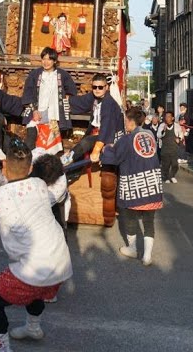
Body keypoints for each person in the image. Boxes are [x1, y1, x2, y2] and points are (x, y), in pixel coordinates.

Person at [0, 143, 72, 351]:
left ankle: (2, 349)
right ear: (30, 167)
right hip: (61, 263)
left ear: (4, 165)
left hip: (34, 269)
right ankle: (33, 327)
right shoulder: (40, 185)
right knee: (37, 290)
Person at [100, 106, 164, 265]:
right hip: (152, 182)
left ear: (129, 122)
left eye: (125, 121)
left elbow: (114, 158)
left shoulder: (126, 140)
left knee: (129, 216)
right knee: (149, 220)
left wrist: (106, 149)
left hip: (134, 183)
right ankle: (147, 256)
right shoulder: (150, 134)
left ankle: (133, 248)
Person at [21, 48, 79, 136]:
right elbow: (27, 94)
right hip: (38, 111)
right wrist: (34, 110)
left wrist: (66, 98)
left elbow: (72, 91)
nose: (46, 62)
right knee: (33, 136)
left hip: (55, 112)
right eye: (44, 59)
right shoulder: (35, 74)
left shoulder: (62, 75)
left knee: (52, 141)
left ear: (55, 61)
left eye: (49, 59)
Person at [70, 73, 123, 146]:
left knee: (86, 145)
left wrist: (98, 148)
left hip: (108, 136)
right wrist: (66, 99)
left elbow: (107, 126)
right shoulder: (93, 96)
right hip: (95, 132)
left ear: (106, 87)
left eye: (100, 87)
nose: (97, 89)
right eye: (94, 87)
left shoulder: (109, 103)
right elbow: (80, 101)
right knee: (83, 146)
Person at [156, 109, 181, 184]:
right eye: (166, 116)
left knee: (175, 164)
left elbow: (181, 134)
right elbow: (158, 135)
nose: (167, 118)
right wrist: (163, 131)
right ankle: (166, 177)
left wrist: (179, 138)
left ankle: (172, 176)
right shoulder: (162, 125)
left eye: (169, 116)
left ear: (172, 118)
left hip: (174, 148)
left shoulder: (176, 126)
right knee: (165, 164)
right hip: (165, 148)